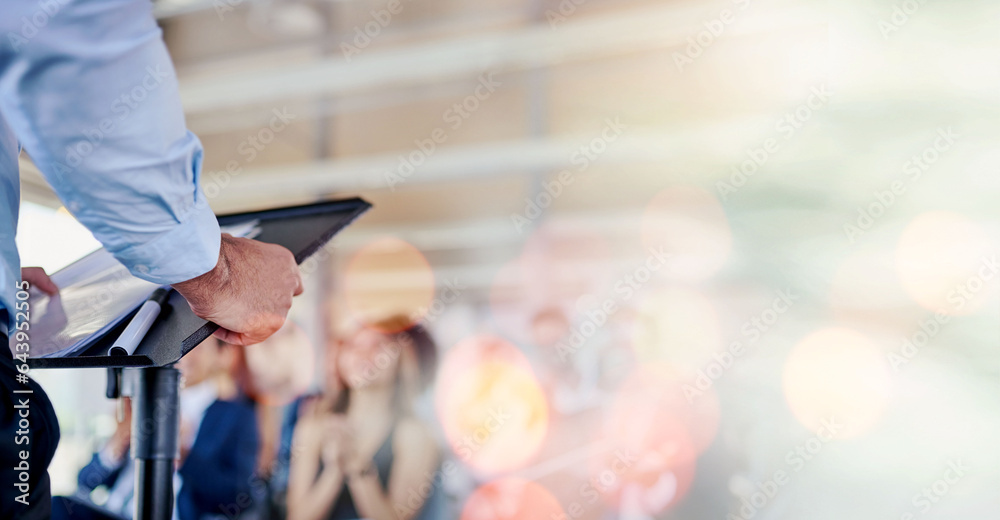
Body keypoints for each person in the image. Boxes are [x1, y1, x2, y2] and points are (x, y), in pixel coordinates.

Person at [0, 0, 305, 517]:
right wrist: (218, 272)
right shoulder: (130, 411)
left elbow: (236, 495)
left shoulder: (235, 414)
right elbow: (69, 39)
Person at [286, 317, 443, 520]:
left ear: (400, 358)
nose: (363, 354)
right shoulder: (312, 427)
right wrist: (334, 471)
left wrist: (357, 467)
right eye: (354, 345)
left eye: (378, 345)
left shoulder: (416, 436)